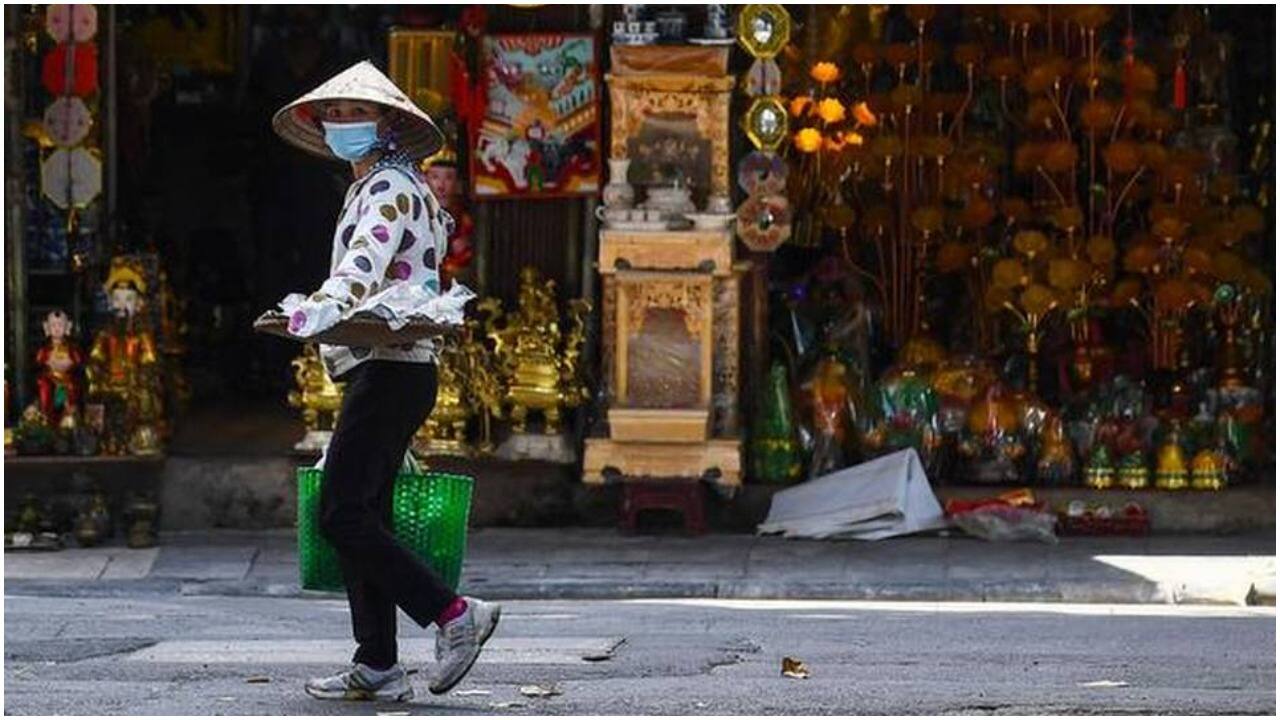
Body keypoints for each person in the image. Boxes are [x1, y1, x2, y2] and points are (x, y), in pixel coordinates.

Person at [272, 60, 500, 702]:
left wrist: (317, 307)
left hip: (392, 371)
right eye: (334, 115)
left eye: (355, 114)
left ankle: (454, 615)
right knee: (362, 511)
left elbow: (364, 268)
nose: (342, 124)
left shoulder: (387, 191)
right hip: (391, 370)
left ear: (388, 123)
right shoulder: (394, 184)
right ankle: (377, 662)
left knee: (340, 511)